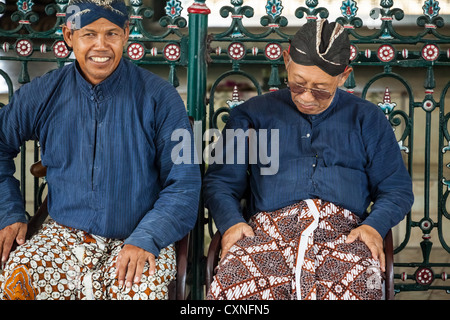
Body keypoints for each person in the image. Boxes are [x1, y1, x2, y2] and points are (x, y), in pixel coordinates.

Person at [0, 0, 201, 300]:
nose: (101, 45)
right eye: (89, 34)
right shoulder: (44, 93)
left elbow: (184, 182)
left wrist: (148, 237)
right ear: (69, 36)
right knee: (18, 279)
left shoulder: (160, 97)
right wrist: (9, 212)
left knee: (142, 291)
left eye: (111, 34)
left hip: (138, 235)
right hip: (64, 234)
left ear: (126, 34)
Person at [203, 19, 414, 300]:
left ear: (343, 75)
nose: (306, 97)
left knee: (359, 286)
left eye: (321, 90)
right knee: (235, 282)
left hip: (346, 235)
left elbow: (396, 188)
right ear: (287, 61)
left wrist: (374, 226)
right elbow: (220, 181)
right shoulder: (252, 115)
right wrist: (231, 222)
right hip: (266, 234)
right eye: (298, 84)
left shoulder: (367, 118)